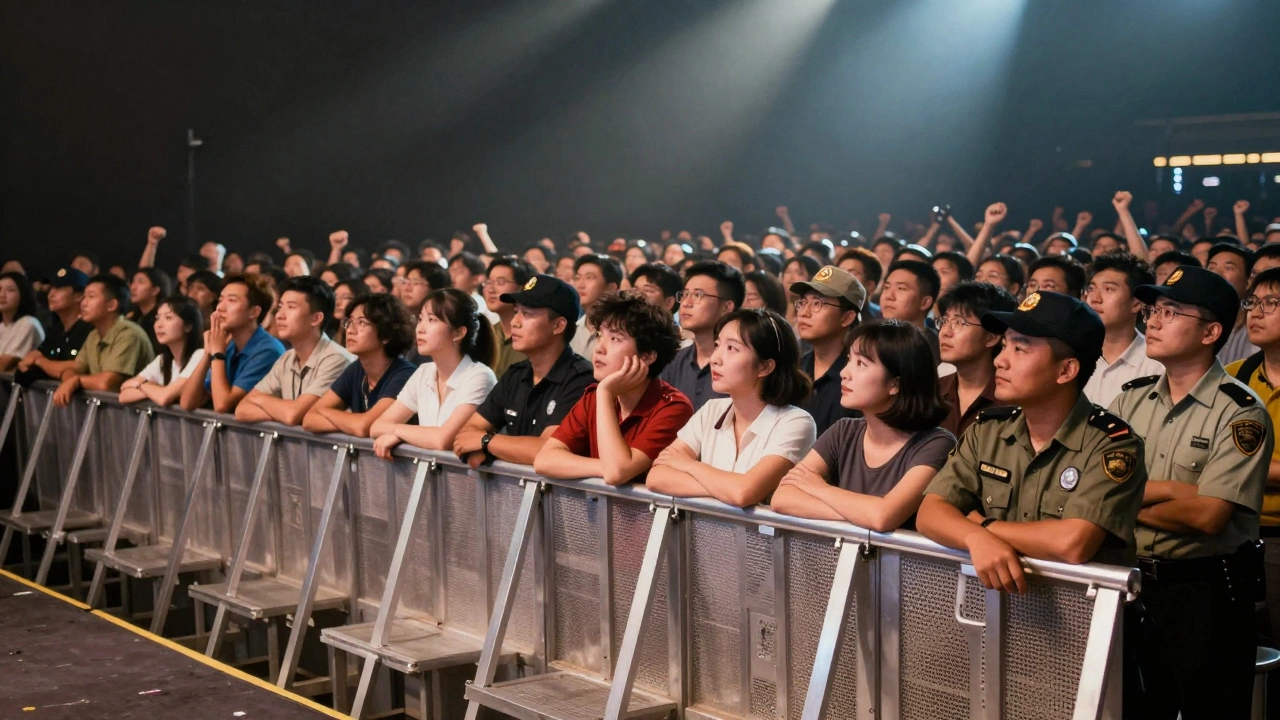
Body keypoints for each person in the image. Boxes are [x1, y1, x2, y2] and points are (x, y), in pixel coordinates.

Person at [1110, 266, 1271, 720]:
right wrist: (1171, 491)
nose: (1153, 320)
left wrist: (1123, 502)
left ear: (1212, 331)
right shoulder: (1130, 400)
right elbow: (1094, 486)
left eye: (1171, 311)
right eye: (1154, 309)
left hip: (1205, 592)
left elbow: (1208, 517)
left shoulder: (1239, 412)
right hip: (1132, 584)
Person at [917, 291, 1147, 594]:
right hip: (1000, 611)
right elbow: (930, 512)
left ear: (1066, 370)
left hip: (1081, 619)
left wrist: (984, 525)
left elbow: (1073, 543)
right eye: (1004, 346)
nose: (1000, 360)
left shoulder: (1112, 445)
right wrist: (975, 538)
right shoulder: (988, 430)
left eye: (1020, 350)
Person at [772, 320, 954, 530]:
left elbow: (883, 516)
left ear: (895, 383)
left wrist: (821, 489)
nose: (844, 373)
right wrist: (860, 513)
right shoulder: (844, 430)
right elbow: (782, 497)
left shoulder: (936, 444)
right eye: (849, 360)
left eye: (861, 364)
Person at [646, 309, 815, 507]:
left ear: (765, 367)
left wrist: (687, 465)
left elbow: (744, 493)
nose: (715, 358)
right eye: (717, 345)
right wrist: (726, 489)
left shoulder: (794, 422)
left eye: (732, 348)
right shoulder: (711, 410)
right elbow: (656, 476)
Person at [534, 294, 691, 485]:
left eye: (615, 338)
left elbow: (617, 473)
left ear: (648, 356)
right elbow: (544, 460)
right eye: (600, 335)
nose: (599, 348)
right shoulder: (593, 397)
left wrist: (606, 394)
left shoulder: (673, 407)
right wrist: (603, 466)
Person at [452, 275, 594, 467]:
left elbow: (547, 450)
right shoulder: (516, 375)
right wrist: (481, 447)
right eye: (516, 311)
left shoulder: (581, 379)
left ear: (558, 325)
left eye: (527, 314)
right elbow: (466, 435)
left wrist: (486, 443)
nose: (515, 322)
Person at [369, 289, 497, 456]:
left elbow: (442, 440)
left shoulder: (479, 376)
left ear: (458, 332)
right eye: (420, 319)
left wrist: (397, 433)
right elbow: (376, 427)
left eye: (432, 320)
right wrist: (404, 434)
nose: (420, 328)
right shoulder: (424, 372)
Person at [1225, 267, 1280, 652]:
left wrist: (1236, 469)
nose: (1255, 313)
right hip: (1230, 535)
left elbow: (1221, 466)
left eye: (1271, 303)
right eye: (1252, 303)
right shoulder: (1231, 377)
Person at [234, 276, 355, 425]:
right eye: (280, 307)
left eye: (291, 307)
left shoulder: (336, 359)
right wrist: (284, 413)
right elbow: (242, 410)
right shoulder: (287, 358)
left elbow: (293, 415)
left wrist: (259, 400)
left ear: (316, 318)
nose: (279, 315)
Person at [303, 294, 417, 437]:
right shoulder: (357, 369)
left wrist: (327, 412)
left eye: (362, 323)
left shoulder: (404, 375)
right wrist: (350, 424)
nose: (350, 330)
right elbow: (309, 419)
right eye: (350, 322)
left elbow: (363, 426)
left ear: (386, 334)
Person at [180, 274, 285, 413]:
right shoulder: (228, 346)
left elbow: (223, 405)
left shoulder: (268, 351)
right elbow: (187, 403)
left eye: (231, 300)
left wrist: (217, 354)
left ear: (253, 312)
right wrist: (207, 353)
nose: (220, 308)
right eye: (220, 300)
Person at [53, 274, 155, 407]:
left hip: (136, 416)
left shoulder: (128, 334)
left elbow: (106, 383)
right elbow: (75, 368)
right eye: (84, 297)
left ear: (112, 305)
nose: (83, 303)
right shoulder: (94, 334)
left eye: (91, 296)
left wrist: (76, 381)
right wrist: (70, 380)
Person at [1082, 252, 1165, 407]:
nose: (1094, 298)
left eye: (1108, 289)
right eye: (1091, 289)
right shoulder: (1073, 356)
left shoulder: (1157, 365)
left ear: (1136, 304)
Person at [791, 265, 865, 437]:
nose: (804, 313)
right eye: (802, 303)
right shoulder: (794, 369)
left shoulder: (860, 378)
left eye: (817, 303)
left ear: (847, 317)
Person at [936, 282, 1017, 436]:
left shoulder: (1012, 401)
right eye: (944, 321)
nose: (945, 332)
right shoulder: (931, 392)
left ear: (991, 338)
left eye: (959, 322)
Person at [661, 261, 744, 411]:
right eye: (685, 294)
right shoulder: (673, 361)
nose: (686, 303)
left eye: (698, 295)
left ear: (726, 307)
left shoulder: (741, 366)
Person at [118, 296, 205, 406]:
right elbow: (124, 394)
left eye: (168, 318)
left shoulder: (200, 356)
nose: (159, 325)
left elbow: (164, 398)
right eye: (158, 317)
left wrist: (141, 385)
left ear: (188, 326)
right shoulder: (163, 360)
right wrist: (159, 390)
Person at [13, 268, 92, 385]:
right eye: (51, 288)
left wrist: (40, 362)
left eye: (59, 288)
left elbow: (79, 367)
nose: (51, 294)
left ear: (79, 295)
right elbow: (25, 365)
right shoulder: (56, 330)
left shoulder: (89, 329)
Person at [481, 256, 534, 378]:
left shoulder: (533, 339)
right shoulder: (488, 334)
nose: (490, 289)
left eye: (500, 282)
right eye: (488, 282)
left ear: (523, 287)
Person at [1207, 243, 1258, 365]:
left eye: (1228, 268)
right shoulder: (1194, 325)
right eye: (1211, 268)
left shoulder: (1257, 327)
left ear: (1248, 281)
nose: (1216, 274)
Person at [570, 253, 623, 359]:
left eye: (589, 277)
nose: (580, 285)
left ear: (611, 288)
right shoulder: (569, 331)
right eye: (577, 278)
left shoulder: (622, 333)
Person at [0, 271, 45, 372]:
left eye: (10, 290)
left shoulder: (28, 323)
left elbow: (4, 364)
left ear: (22, 295)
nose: (2, 294)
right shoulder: (2, 326)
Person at [127, 267, 173, 351]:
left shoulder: (163, 320)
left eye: (141, 282)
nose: (133, 287)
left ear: (155, 290)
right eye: (133, 282)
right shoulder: (133, 318)